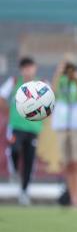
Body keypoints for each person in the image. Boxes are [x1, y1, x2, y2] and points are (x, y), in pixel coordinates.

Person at [0, 57, 43, 205]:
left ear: (35, 68)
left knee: (30, 159)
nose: (28, 70)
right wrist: (9, 110)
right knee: (14, 149)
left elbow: (50, 100)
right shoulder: (13, 82)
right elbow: (1, 97)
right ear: (21, 69)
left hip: (33, 128)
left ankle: (24, 192)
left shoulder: (41, 85)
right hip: (16, 127)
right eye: (25, 67)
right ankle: (14, 171)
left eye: (30, 67)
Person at [51, 61, 77, 208]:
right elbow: (51, 95)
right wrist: (58, 73)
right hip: (63, 124)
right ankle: (73, 198)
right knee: (68, 164)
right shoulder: (60, 79)